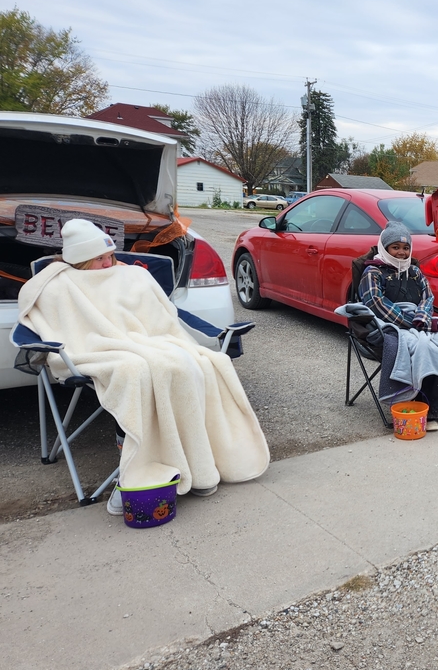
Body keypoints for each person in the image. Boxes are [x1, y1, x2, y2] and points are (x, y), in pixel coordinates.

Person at [17, 219, 270, 515]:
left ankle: (200, 466)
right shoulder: (57, 285)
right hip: (100, 352)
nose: (108, 263)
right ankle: (135, 478)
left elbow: (165, 315)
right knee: (133, 370)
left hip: (153, 342)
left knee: (190, 364)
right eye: (98, 258)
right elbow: (57, 323)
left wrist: (161, 340)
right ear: (79, 260)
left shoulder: (133, 275)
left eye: (109, 256)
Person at [358, 221, 438, 430]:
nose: (401, 252)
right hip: (389, 325)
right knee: (425, 348)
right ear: (385, 248)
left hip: (419, 321)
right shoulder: (372, 272)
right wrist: (410, 322)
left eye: (406, 248)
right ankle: (430, 411)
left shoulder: (415, 271)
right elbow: (375, 303)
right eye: (395, 247)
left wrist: (422, 317)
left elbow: (427, 297)